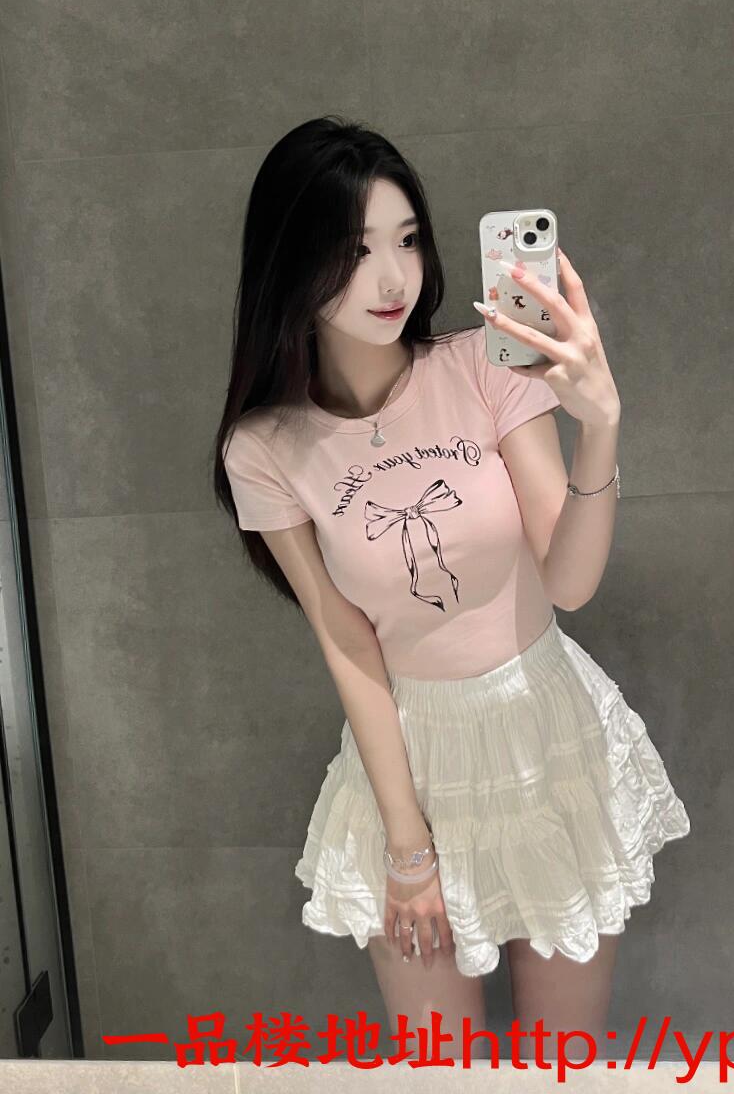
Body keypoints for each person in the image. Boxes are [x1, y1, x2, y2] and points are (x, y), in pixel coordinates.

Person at [213, 115, 690, 1063]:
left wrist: (600, 427)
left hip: (547, 736)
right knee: (438, 1074)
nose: (392, 278)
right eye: (355, 251)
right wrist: (407, 847)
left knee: (561, 1069)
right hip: (411, 764)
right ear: (292, 261)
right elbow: (345, 639)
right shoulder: (266, 448)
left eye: (407, 241)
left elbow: (570, 582)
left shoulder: (482, 367)